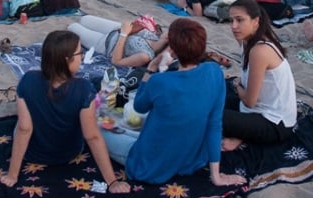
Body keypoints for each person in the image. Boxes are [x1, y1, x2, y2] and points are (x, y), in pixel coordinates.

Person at [100, 18, 246, 187]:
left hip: (151, 163)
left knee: (98, 129)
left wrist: (151, 69)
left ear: (173, 51)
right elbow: (214, 124)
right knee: (129, 126)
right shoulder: (214, 72)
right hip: (191, 157)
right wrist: (216, 176)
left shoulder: (161, 82)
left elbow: (139, 106)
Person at [0, 30, 131, 194]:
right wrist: (112, 182)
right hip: (68, 153)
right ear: (68, 60)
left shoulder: (28, 79)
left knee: (23, 119)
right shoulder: (83, 88)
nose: (82, 57)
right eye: (80, 53)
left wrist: (12, 175)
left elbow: (24, 129)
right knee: (98, 102)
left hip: (33, 153)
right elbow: (92, 136)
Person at [222, 0, 296, 150]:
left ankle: (243, 135)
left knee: (211, 116)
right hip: (260, 107)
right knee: (213, 99)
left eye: (240, 20)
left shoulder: (260, 50)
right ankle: (241, 133)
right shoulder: (248, 40)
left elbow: (250, 101)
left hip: (275, 123)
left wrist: (237, 86)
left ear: (256, 21)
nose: (234, 26)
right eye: (231, 20)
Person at [68, 15, 168, 68]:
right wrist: (134, 27)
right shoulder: (156, 36)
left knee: (72, 27)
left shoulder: (145, 56)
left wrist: (124, 34)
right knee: (85, 19)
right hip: (115, 29)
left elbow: (116, 61)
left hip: (106, 44)